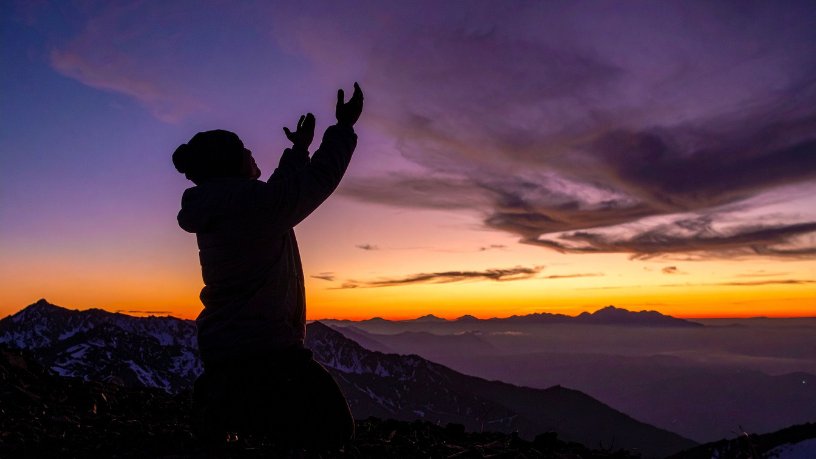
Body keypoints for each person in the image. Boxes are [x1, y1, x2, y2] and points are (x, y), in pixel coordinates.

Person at [172, 83, 364, 446]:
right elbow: (313, 182)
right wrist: (343, 127)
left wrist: (298, 149)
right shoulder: (255, 206)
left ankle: (225, 402)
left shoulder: (227, 203)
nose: (251, 153)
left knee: (266, 406)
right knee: (336, 430)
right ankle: (244, 415)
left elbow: (276, 194)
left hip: (227, 346)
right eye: (244, 150)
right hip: (267, 349)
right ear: (232, 164)